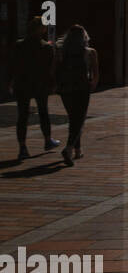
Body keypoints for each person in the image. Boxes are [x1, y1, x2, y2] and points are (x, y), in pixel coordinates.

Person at [8, 17, 59, 160]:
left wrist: (11, 81)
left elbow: (13, 65)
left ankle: (23, 147)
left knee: (22, 116)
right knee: (43, 112)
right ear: (41, 29)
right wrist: (53, 83)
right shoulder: (46, 47)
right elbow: (50, 69)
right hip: (40, 84)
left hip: (22, 83)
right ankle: (48, 140)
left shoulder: (19, 45)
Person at [55, 24, 99, 167]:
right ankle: (68, 149)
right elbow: (95, 74)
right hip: (81, 88)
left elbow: (53, 71)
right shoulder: (90, 52)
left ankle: (78, 150)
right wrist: (92, 85)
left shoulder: (61, 52)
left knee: (74, 118)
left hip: (65, 89)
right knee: (79, 119)